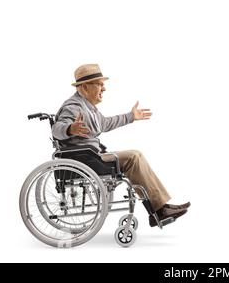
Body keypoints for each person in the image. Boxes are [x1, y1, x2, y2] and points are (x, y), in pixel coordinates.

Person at [51, 64, 190, 227]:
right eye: (99, 84)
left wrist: (131, 116)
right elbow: (56, 130)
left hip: (92, 157)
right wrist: (69, 128)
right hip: (85, 159)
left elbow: (106, 123)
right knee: (134, 156)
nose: (104, 89)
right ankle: (159, 209)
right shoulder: (74, 107)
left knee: (134, 156)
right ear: (84, 87)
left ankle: (160, 208)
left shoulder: (89, 108)